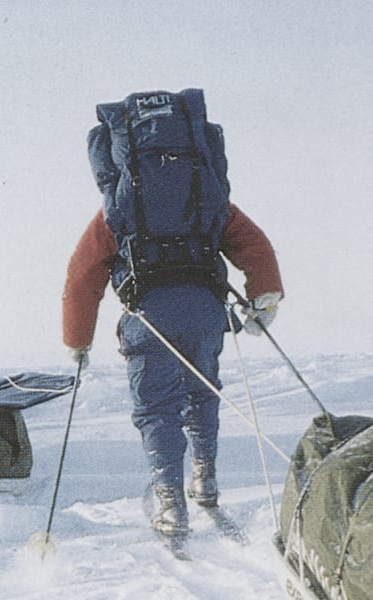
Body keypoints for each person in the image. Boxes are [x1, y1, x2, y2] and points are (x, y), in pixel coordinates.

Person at [62, 90, 283, 536]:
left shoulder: (119, 208)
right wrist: (264, 294)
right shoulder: (207, 195)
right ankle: (206, 481)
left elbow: (83, 275)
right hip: (205, 312)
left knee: (157, 409)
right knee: (202, 393)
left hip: (149, 317)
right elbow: (253, 244)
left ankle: (169, 502)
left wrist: (77, 340)